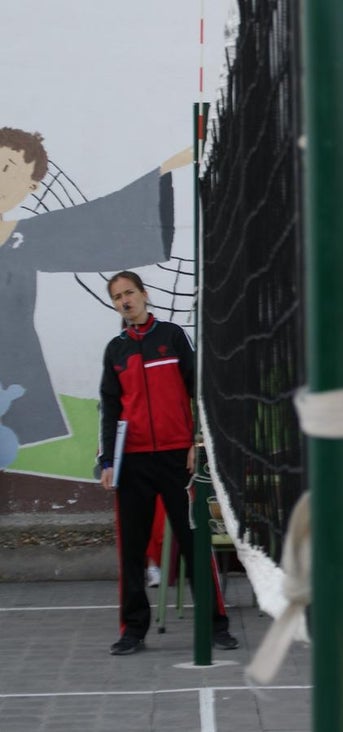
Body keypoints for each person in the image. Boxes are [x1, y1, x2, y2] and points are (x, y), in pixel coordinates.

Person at [1, 127, 187, 446]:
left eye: (7, 168)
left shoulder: (27, 238)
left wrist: (170, 167)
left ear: (31, 187)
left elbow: (98, 224)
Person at [98, 271, 237, 655]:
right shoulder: (116, 350)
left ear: (144, 295)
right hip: (133, 463)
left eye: (129, 293)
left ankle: (216, 626)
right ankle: (132, 631)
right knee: (132, 551)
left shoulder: (173, 337)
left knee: (196, 543)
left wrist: (197, 440)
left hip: (179, 458)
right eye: (117, 297)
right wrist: (108, 460)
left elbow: (199, 390)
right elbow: (109, 409)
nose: (125, 301)